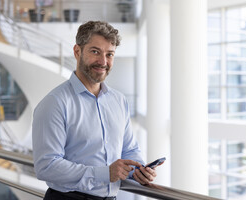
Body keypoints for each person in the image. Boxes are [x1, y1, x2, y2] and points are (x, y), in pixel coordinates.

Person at [32, 21, 157, 200]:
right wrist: (104, 174)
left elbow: (129, 149)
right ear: (77, 51)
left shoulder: (119, 101)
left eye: (109, 54)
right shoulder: (55, 103)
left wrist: (139, 170)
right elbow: (46, 166)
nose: (103, 61)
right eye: (95, 52)